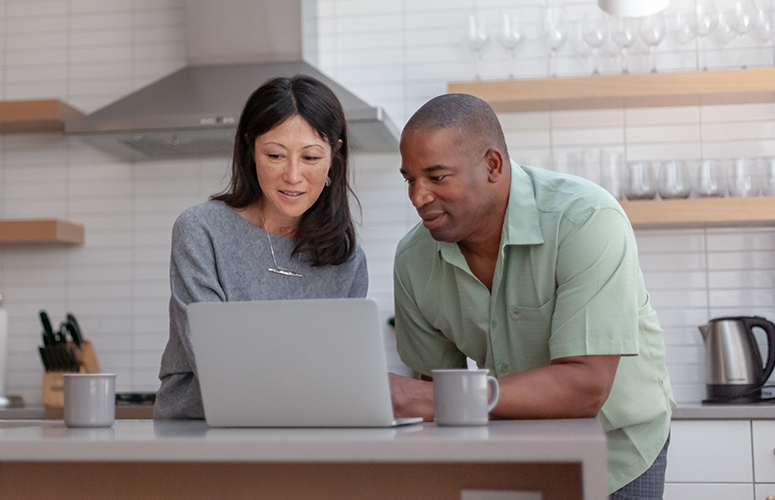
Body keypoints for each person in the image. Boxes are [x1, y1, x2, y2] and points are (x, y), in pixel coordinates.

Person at [389, 93, 675, 500]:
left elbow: (587, 385)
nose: (418, 198)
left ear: (492, 165)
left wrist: (438, 398)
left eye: (436, 178)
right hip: (515, 450)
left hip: (618, 448)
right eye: (410, 180)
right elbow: (431, 391)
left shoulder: (586, 219)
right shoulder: (413, 259)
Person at [153, 75, 368, 420]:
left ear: (334, 156)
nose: (293, 176)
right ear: (250, 150)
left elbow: (342, 373)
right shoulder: (201, 231)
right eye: (275, 155)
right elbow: (213, 359)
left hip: (306, 433)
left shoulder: (347, 261)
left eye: (311, 157)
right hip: (197, 435)